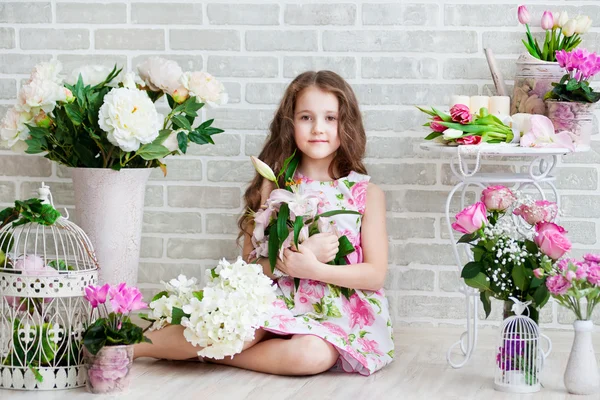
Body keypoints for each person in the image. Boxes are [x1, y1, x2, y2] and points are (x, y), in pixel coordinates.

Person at [134, 70, 394, 376]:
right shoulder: (273, 186)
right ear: (290, 124)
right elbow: (251, 263)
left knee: (310, 356)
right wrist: (289, 261)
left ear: (346, 124)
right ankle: (130, 347)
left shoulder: (366, 194)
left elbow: (375, 274)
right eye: (306, 118)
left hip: (336, 314)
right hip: (276, 299)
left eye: (330, 118)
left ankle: (206, 356)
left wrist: (315, 270)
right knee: (236, 330)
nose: (318, 129)